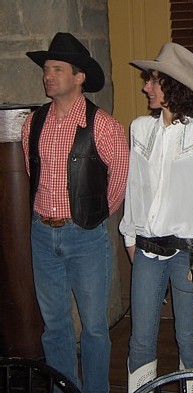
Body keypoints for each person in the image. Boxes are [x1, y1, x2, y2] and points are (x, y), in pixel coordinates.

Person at [119, 42, 193, 393]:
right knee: (140, 338)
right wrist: (130, 236)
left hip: (190, 253)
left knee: (188, 335)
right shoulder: (140, 129)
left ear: (174, 86)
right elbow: (135, 189)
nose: (146, 87)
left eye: (154, 81)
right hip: (146, 251)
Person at [21, 32, 129, 393]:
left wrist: (88, 218)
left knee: (95, 326)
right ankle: (64, 388)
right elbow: (32, 172)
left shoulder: (105, 126)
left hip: (85, 236)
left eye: (57, 69)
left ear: (79, 76)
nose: (48, 75)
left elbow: (117, 185)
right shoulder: (32, 123)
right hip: (41, 232)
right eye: (46, 69)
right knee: (55, 325)